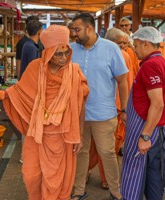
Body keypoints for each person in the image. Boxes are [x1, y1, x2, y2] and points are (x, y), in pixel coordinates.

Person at [0, 25, 89, 200]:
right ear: (48, 54)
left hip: (64, 136)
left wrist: (80, 135)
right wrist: (1, 95)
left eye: (66, 53)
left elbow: (80, 107)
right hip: (37, 134)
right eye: (58, 54)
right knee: (31, 175)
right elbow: (19, 92)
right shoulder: (35, 68)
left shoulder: (74, 72)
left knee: (58, 181)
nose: (63, 58)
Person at [70, 13, 128, 200]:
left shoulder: (111, 48)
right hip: (77, 115)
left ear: (89, 28)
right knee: (80, 153)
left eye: (77, 29)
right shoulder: (70, 50)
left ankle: (116, 191)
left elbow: (122, 81)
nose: (74, 33)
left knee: (108, 153)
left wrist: (125, 109)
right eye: (72, 30)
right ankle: (79, 191)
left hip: (104, 114)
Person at [121, 26, 165, 200]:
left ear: (146, 44)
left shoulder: (151, 66)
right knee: (153, 174)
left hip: (147, 130)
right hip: (155, 128)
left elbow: (157, 104)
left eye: (136, 45)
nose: (134, 50)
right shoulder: (159, 62)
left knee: (135, 169)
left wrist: (145, 136)